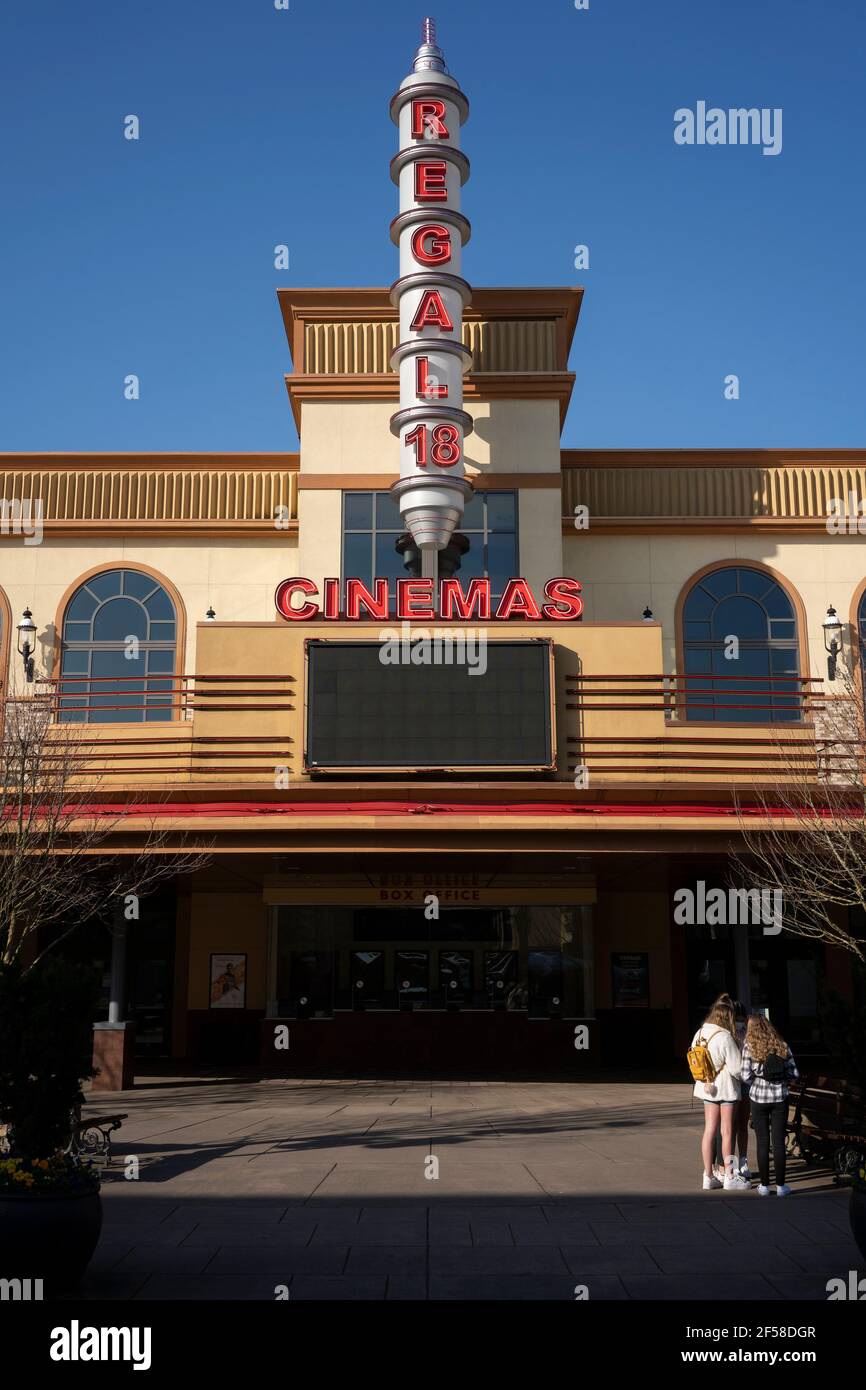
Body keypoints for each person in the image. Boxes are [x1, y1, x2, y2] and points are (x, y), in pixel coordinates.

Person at [691, 996, 749, 1191]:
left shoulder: (700, 1033)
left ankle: (708, 1175)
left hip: (705, 1086)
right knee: (727, 1132)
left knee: (709, 1131)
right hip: (725, 1089)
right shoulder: (724, 1036)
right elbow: (737, 1068)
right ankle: (729, 1175)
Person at [741, 1013, 799, 1196]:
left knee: (762, 1141)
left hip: (758, 1099)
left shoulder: (749, 1047)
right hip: (780, 1098)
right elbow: (794, 1073)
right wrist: (781, 1081)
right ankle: (781, 1186)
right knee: (779, 1142)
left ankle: (764, 1186)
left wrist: (757, 1083)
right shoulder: (781, 1045)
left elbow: (744, 1075)